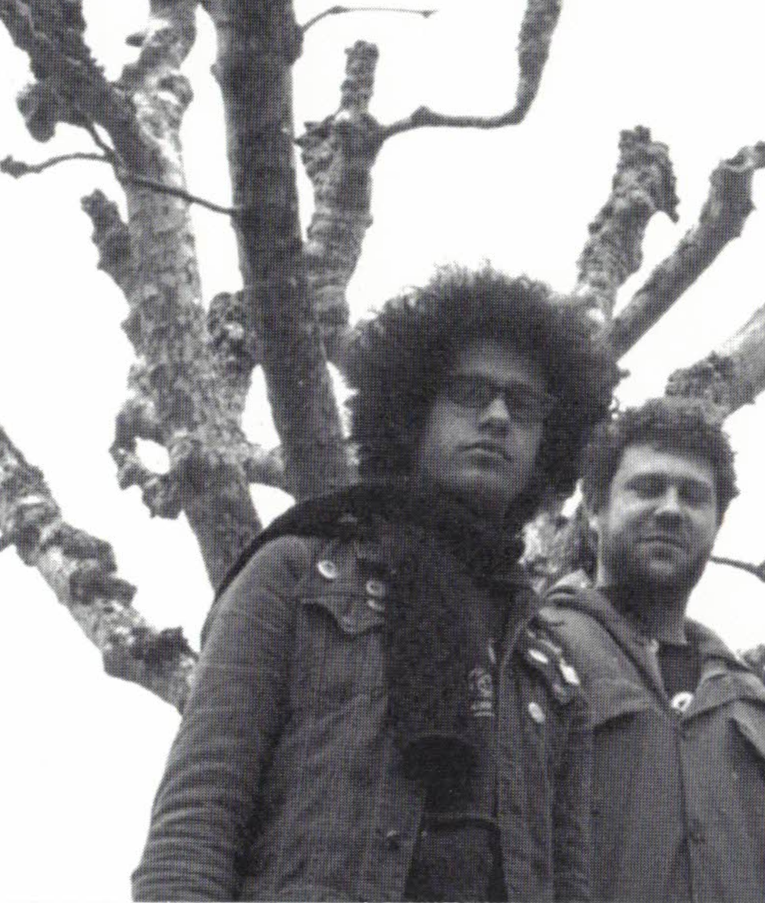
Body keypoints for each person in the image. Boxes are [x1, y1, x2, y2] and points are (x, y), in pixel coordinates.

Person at [135, 269, 621, 901]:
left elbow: (568, 888)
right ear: (413, 410)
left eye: (523, 405)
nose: (498, 416)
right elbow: (194, 827)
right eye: (469, 392)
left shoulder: (549, 667)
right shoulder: (293, 574)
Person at [541, 398, 765, 900]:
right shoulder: (536, 651)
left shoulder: (760, 713)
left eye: (693, 496)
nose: (671, 509)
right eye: (647, 488)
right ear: (593, 510)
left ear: (717, 524)